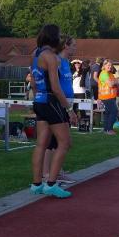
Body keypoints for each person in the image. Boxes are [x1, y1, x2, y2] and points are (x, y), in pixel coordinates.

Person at [29, 24, 75, 198]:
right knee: (64, 142)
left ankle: (36, 184)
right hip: (51, 101)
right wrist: (68, 108)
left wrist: (38, 98)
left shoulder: (35, 54)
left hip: (40, 100)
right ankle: (51, 183)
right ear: (54, 37)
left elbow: (33, 82)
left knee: (41, 143)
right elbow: (56, 87)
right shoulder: (51, 57)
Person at [42, 36, 78, 183]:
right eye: (73, 45)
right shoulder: (56, 61)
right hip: (58, 103)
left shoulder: (66, 62)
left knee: (60, 142)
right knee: (56, 141)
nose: (75, 48)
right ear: (65, 46)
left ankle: (55, 171)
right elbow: (54, 85)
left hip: (66, 103)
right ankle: (48, 174)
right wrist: (67, 107)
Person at [98, 59, 119, 135]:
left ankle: (106, 129)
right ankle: (109, 129)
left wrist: (116, 82)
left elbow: (116, 84)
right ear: (104, 66)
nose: (110, 67)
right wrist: (117, 81)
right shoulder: (104, 73)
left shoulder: (110, 74)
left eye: (111, 65)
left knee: (108, 113)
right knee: (114, 111)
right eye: (108, 65)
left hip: (111, 96)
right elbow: (111, 84)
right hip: (106, 97)